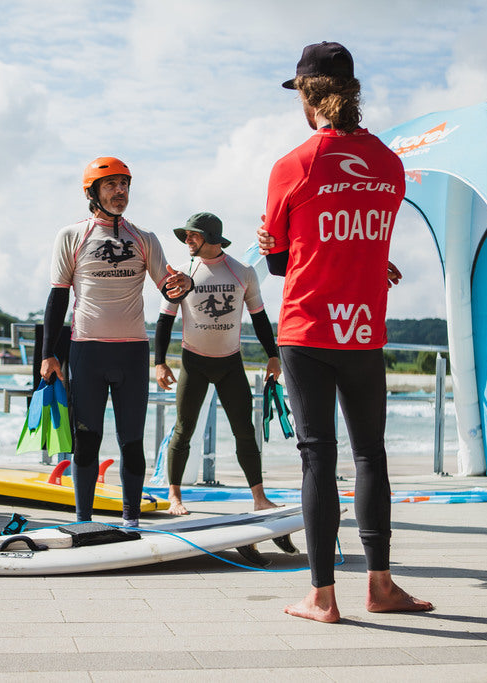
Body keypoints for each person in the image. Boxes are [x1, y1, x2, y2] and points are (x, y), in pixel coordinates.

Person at [257, 42, 432, 622]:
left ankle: (322, 596)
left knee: (316, 459)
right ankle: (381, 586)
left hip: (307, 329)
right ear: (353, 92)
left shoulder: (293, 165)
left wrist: (276, 246)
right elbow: (363, 239)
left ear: (307, 98)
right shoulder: (389, 162)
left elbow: (281, 264)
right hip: (363, 330)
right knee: (370, 457)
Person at [40, 157, 193, 527]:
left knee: (131, 441)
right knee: (87, 439)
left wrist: (183, 286)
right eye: (110, 185)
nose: (120, 191)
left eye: (124, 184)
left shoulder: (145, 239)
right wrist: (49, 355)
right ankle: (83, 521)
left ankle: (131, 520)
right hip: (87, 349)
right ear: (92, 193)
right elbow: (58, 297)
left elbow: (167, 289)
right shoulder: (71, 236)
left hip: (132, 352)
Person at [154, 212, 281, 515]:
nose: (187, 240)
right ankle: (175, 497)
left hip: (230, 364)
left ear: (210, 238)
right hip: (193, 362)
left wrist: (273, 355)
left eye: (193, 235)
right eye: (186, 235)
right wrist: (159, 362)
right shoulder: (182, 273)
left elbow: (260, 317)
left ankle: (260, 497)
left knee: (245, 432)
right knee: (183, 430)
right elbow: (164, 320)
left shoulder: (242, 272)